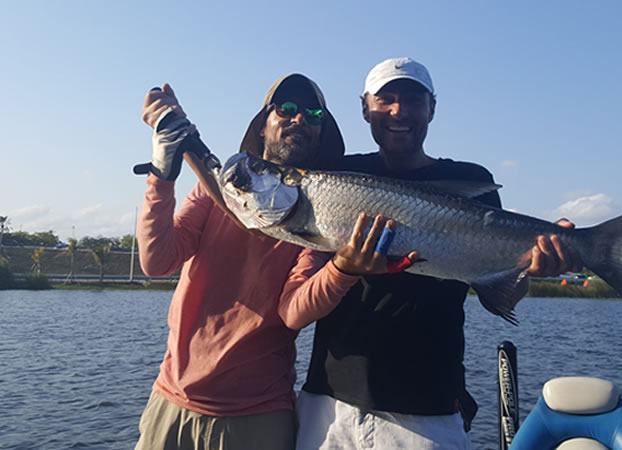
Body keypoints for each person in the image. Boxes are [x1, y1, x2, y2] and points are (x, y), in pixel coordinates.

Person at [294, 57, 582, 449]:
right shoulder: (335, 178)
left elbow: (499, 291)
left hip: (427, 411)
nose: (399, 111)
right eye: (386, 99)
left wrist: (535, 265)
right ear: (365, 107)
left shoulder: (470, 179)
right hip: (328, 404)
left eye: (413, 100)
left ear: (432, 108)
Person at [134, 74, 359, 450]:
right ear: (264, 123)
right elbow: (157, 261)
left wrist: (343, 269)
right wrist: (162, 172)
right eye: (285, 109)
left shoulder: (319, 215)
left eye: (313, 114)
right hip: (170, 402)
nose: (298, 118)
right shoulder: (213, 191)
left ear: (321, 133)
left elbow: (293, 311)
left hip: (258, 417)